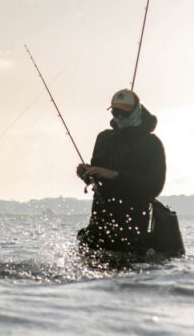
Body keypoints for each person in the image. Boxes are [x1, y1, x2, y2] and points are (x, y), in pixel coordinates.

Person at [76, 89, 182, 259]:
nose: (119, 117)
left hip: (132, 227)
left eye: (124, 113)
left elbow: (155, 186)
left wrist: (115, 176)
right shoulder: (103, 138)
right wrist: (87, 173)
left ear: (136, 111)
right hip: (100, 223)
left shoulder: (151, 144)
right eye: (115, 112)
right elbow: (98, 174)